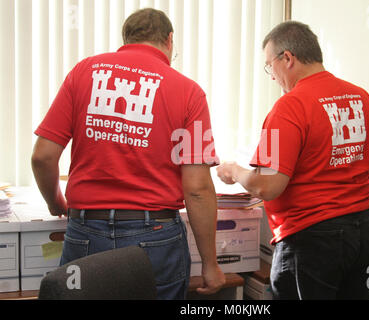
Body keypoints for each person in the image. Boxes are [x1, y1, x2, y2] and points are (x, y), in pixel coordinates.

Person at [31, 8, 225, 299]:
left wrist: (55, 201)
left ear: (127, 38)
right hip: (155, 236)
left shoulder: (84, 72)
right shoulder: (189, 92)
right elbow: (197, 188)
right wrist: (211, 264)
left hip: (86, 230)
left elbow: (42, 156)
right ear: (169, 40)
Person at [216, 21, 369, 300]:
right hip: (364, 232)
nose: (271, 76)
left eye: (270, 66)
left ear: (288, 58)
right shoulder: (360, 97)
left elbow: (268, 187)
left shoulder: (290, 106)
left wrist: (235, 170)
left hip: (313, 240)